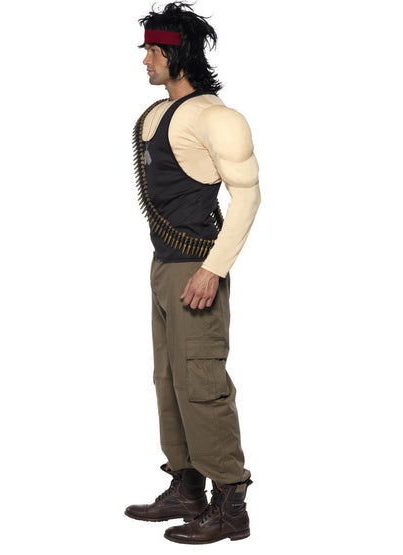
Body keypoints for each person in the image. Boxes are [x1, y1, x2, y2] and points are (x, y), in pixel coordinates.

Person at [125, 2, 261, 544]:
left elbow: (247, 197)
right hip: (164, 267)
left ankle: (230, 504)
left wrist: (212, 269)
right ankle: (187, 488)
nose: (145, 61)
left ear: (175, 55)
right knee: (170, 382)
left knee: (202, 386)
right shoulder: (159, 114)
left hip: (196, 269)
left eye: (152, 52)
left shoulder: (217, 118)